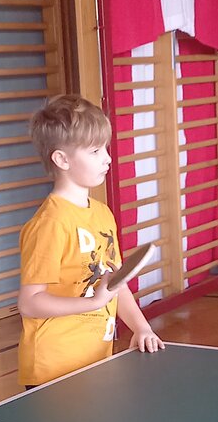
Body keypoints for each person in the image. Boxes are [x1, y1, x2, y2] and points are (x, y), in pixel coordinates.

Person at [17, 94, 164, 388]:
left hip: (94, 360)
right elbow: (30, 303)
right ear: (62, 159)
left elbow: (115, 283)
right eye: (95, 150)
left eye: (105, 148)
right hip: (53, 369)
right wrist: (93, 303)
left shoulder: (102, 213)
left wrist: (141, 327)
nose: (107, 158)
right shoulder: (51, 224)